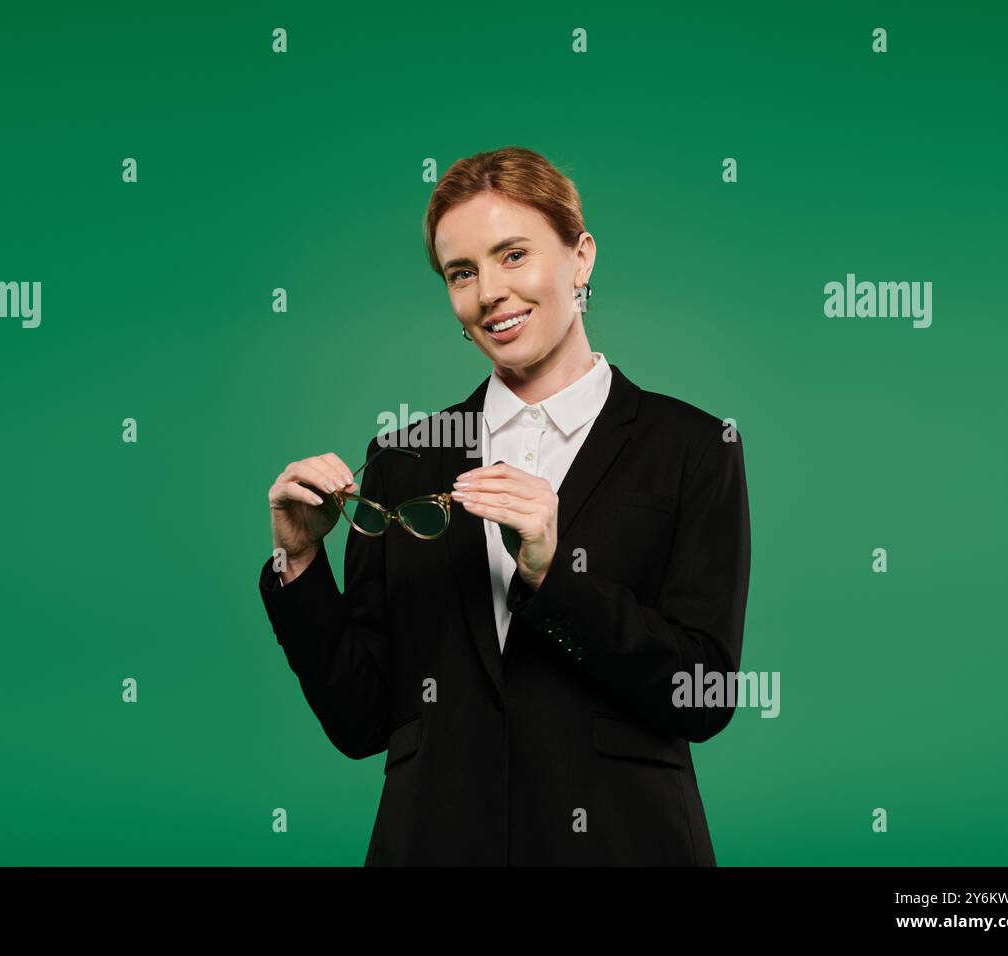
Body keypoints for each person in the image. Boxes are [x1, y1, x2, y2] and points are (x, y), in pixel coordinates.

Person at [258, 146, 751, 865]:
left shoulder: (695, 446)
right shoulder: (400, 461)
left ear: (579, 258)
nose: (489, 291)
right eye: (462, 273)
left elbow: (702, 697)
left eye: (513, 255)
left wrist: (555, 581)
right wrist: (299, 562)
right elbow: (361, 721)